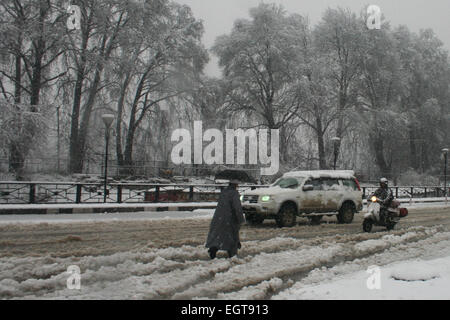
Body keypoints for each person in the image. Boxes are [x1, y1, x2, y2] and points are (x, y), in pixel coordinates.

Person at [206, 179, 245, 259]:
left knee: (218, 236)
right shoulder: (234, 194)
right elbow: (237, 208)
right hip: (229, 219)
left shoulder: (224, 192)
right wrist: (241, 219)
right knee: (231, 236)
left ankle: (213, 250)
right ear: (236, 185)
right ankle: (232, 254)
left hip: (219, 218)